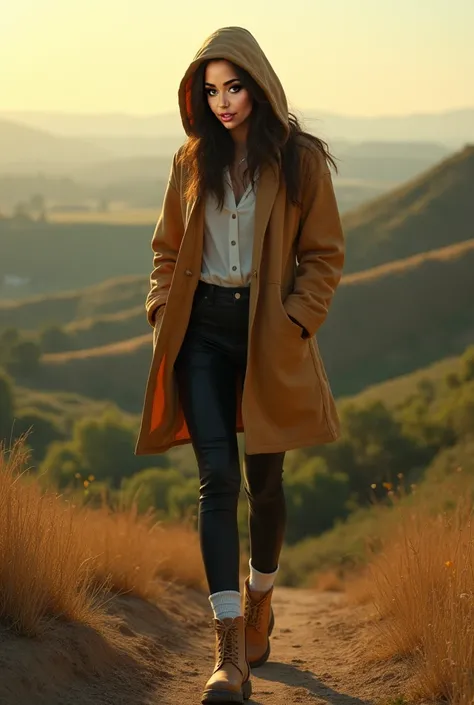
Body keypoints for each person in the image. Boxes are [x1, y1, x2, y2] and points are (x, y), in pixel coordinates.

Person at [136, 25, 345, 704]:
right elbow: (166, 249)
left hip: (269, 333)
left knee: (266, 482)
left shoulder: (299, 160)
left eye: (233, 86)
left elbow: (324, 254)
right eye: (211, 89)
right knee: (216, 479)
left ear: (258, 84)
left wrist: (295, 320)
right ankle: (228, 653)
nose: (222, 101)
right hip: (200, 332)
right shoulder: (189, 159)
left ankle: (261, 597)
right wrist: (164, 307)